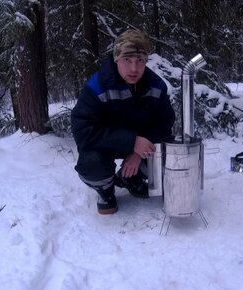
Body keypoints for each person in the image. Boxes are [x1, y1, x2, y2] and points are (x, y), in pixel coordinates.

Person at [71, 29, 175, 215]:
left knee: (167, 153)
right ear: (116, 58)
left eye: (140, 60)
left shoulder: (156, 85)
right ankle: (105, 189)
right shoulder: (97, 86)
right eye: (127, 60)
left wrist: (138, 153)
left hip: (141, 143)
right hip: (106, 145)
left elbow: (164, 123)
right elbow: (83, 130)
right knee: (92, 163)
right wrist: (131, 141)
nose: (134, 68)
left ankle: (131, 177)